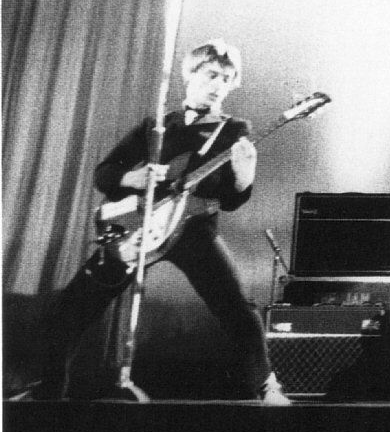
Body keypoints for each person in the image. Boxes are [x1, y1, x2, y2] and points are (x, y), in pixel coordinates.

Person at [13, 40, 291, 405]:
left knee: (237, 307)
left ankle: (267, 387)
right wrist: (131, 178)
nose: (218, 85)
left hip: (193, 231)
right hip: (139, 228)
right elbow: (104, 174)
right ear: (190, 74)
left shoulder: (234, 129)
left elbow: (231, 200)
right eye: (211, 75)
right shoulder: (155, 126)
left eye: (226, 79)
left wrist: (244, 176)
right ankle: (46, 390)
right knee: (72, 306)